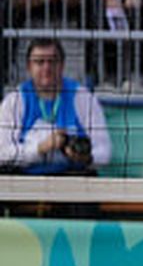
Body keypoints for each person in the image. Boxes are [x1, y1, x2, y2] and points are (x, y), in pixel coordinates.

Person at [0, 39, 113, 188]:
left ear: (62, 65)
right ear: (29, 66)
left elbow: (105, 151)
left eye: (53, 62)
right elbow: (3, 153)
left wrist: (85, 157)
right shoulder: (15, 100)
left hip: (71, 179)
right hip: (26, 178)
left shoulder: (83, 97)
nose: (47, 68)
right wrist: (39, 149)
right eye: (39, 62)